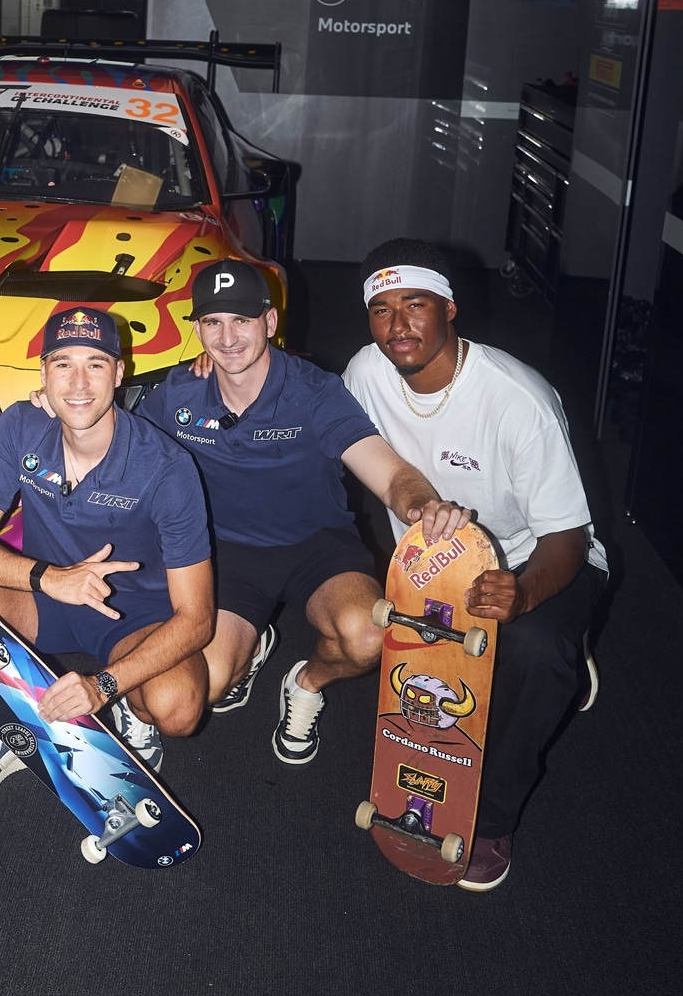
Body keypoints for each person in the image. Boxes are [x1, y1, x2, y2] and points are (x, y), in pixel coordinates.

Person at [344, 239, 608, 893]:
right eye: (382, 310)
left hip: (532, 556)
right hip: (432, 566)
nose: (398, 325)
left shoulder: (517, 399)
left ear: (451, 308)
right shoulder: (365, 375)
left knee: (536, 653)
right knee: (423, 675)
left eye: (416, 305)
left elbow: (568, 538)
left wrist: (521, 594)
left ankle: (490, 819)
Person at [140, 260, 468, 766]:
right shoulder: (179, 393)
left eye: (241, 321)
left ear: (269, 323)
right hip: (224, 556)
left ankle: (307, 681)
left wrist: (424, 505)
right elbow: (117, 442)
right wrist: (54, 407)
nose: (227, 339)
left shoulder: (316, 393)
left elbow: (387, 471)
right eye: (212, 322)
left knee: (366, 638)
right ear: (198, 328)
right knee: (200, 688)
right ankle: (248, 648)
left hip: (316, 547)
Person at [0, 305, 213, 802]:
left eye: (96, 364)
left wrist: (103, 686)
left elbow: (197, 619)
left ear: (119, 373)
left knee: (177, 709)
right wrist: (51, 578)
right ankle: (17, 725)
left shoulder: (167, 467)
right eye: (63, 363)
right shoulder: (21, 425)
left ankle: (129, 707)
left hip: (135, 615)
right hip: (47, 597)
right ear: (43, 373)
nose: (79, 382)